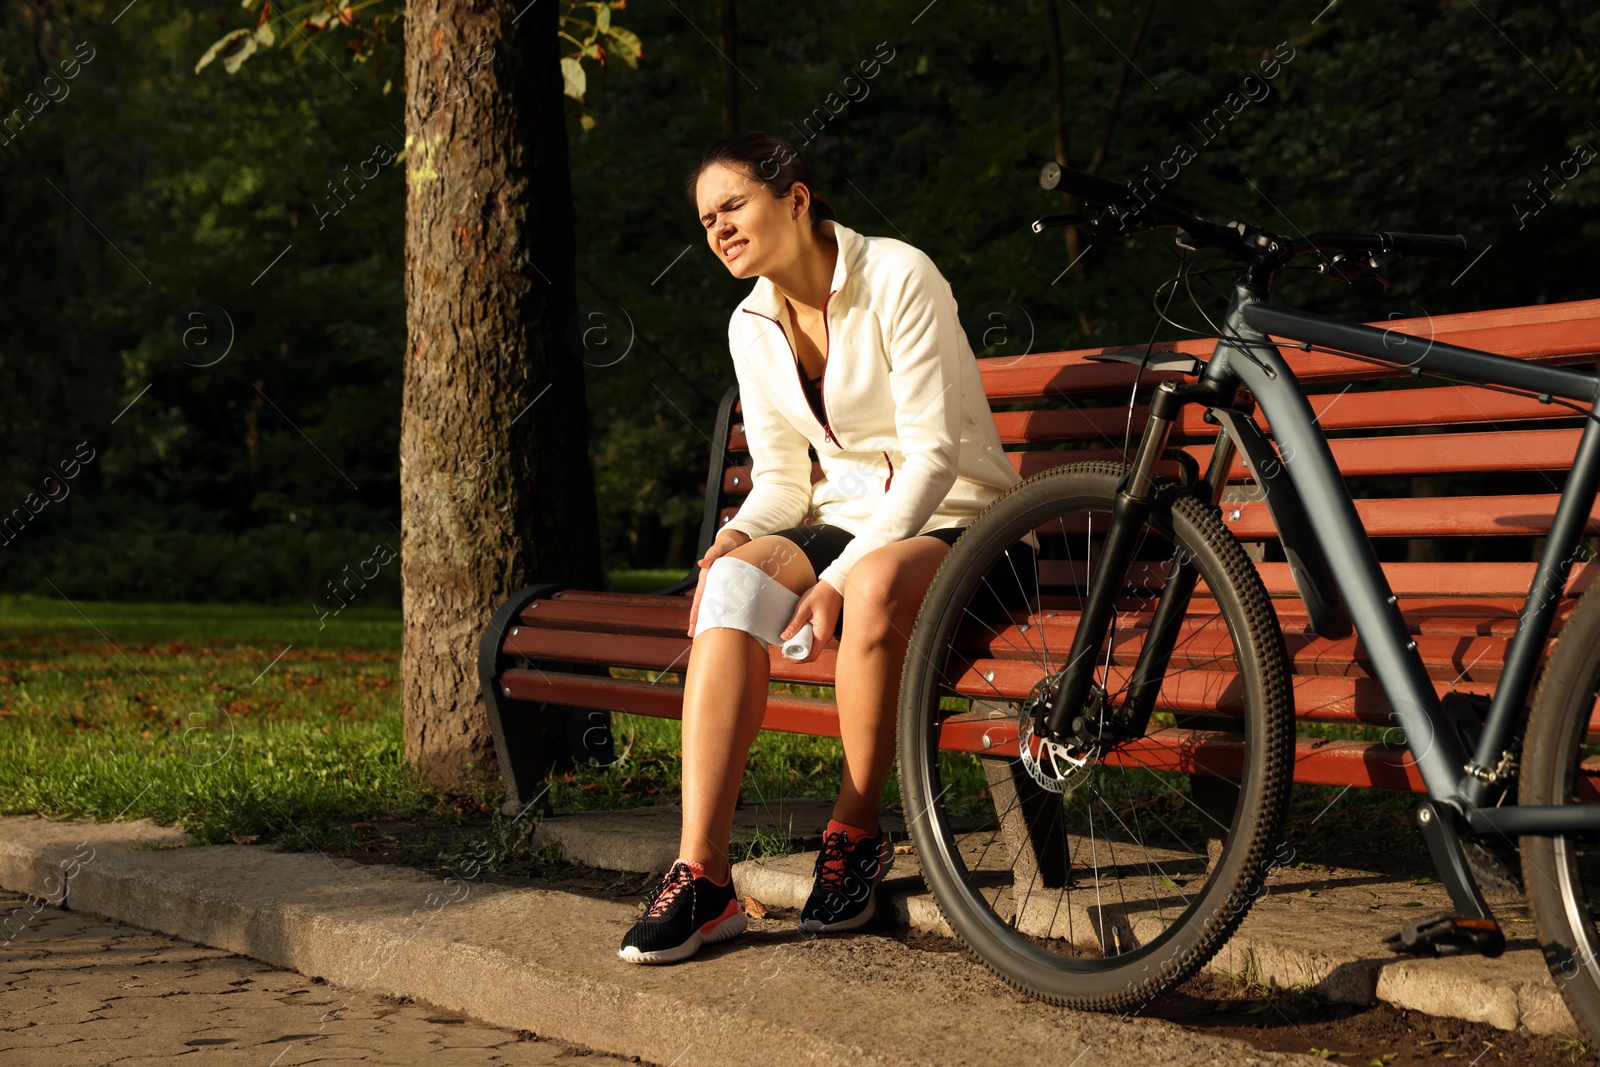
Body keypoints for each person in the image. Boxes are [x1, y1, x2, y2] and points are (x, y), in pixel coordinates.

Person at [619, 132, 1034, 964]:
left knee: (874, 583)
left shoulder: (898, 275)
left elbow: (932, 457)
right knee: (734, 585)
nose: (719, 230)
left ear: (797, 199)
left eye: (733, 206)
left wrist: (838, 576)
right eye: (706, 220)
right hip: (850, 516)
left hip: (968, 518)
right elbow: (781, 481)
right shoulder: (749, 322)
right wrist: (733, 538)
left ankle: (854, 833)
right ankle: (702, 875)